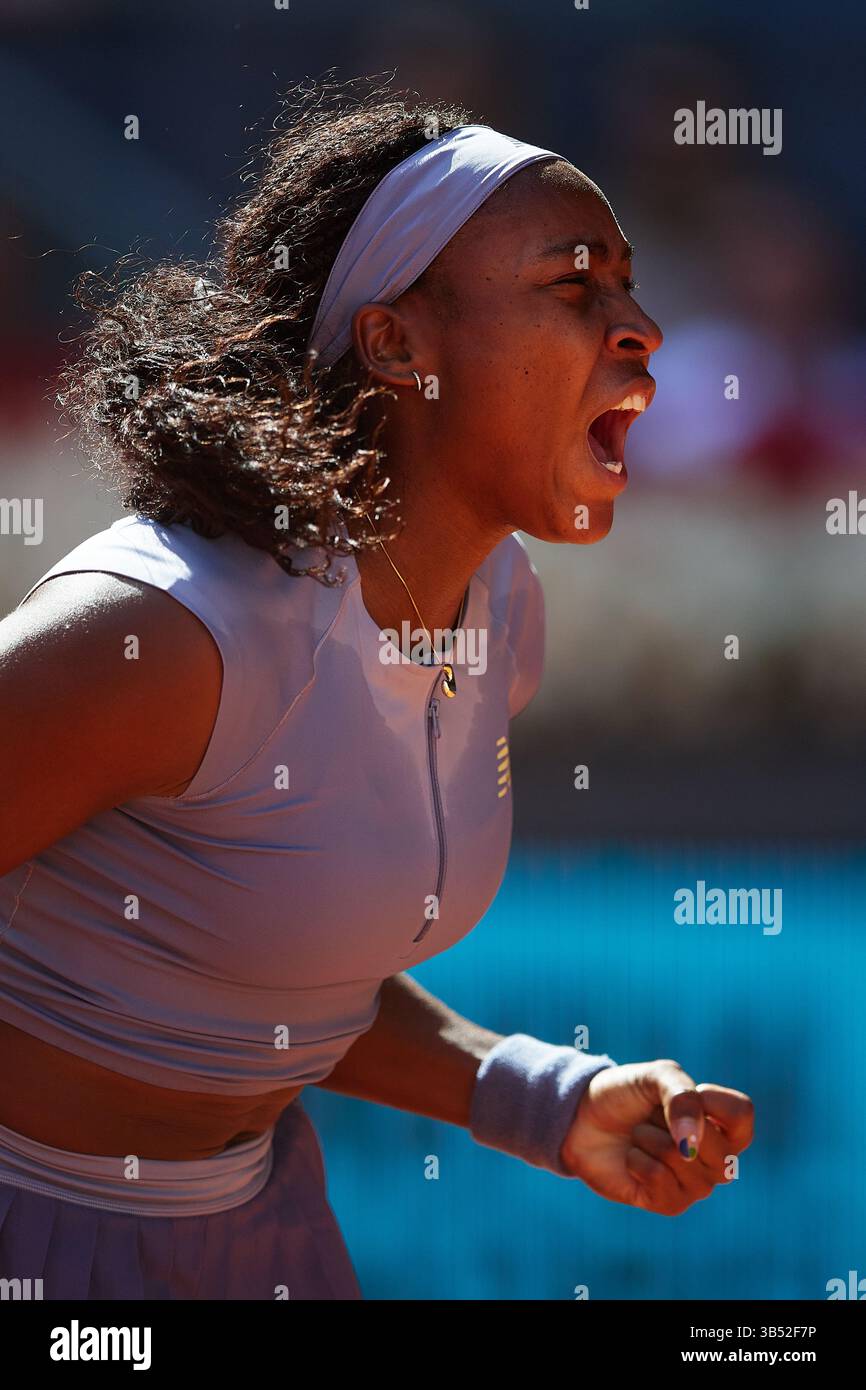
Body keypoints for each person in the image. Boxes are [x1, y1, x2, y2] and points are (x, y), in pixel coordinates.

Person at [0, 84, 752, 1300]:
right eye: (573, 285)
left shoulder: (498, 609)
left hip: (262, 1233)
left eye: (626, 281)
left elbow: (279, 956)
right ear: (399, 343)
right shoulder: (165, 634)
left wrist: (545, 1095)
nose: (641, 327)